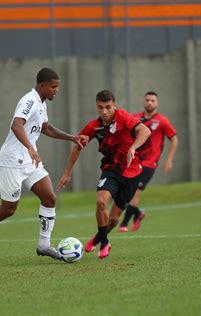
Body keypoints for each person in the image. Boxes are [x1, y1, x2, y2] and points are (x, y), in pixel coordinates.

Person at [0, 67, 88, 264]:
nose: (56, 90)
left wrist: (72, 138)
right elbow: (16, 125)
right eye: (53, 87)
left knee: (49, 198)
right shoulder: (29, 101)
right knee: (8, 209)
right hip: (12, 161)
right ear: (42, 85)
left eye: (58, 87)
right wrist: (30, 147)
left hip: (30, 161)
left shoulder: (41, 103)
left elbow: (45, 128)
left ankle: (44, 245)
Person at [57, 90, 151, 259]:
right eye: (101, 108)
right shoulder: (94, 126)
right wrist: (67, 173)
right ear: (97, 107)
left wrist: (133, 148)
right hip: (111, 170)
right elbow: (78, 146)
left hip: (132, 172)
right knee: (101, 202)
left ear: (114, 106)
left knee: (114, 220)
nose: (105, 112)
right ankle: (105, 241)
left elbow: (145, 131)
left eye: (108, 107)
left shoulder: (122, 116)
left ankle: (98, 237)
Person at [118, 91, 178, 232]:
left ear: (157, 103)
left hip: (149, 163)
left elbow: (174, 139)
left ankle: (124, 224)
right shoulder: (135, 118)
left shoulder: (162, 121)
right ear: (143, 102)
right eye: (147, 100)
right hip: (134, 161)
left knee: (135, 191)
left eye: (152, 100)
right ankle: (138, 213)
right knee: (125, 190)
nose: (149, 102)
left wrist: (169, 159)